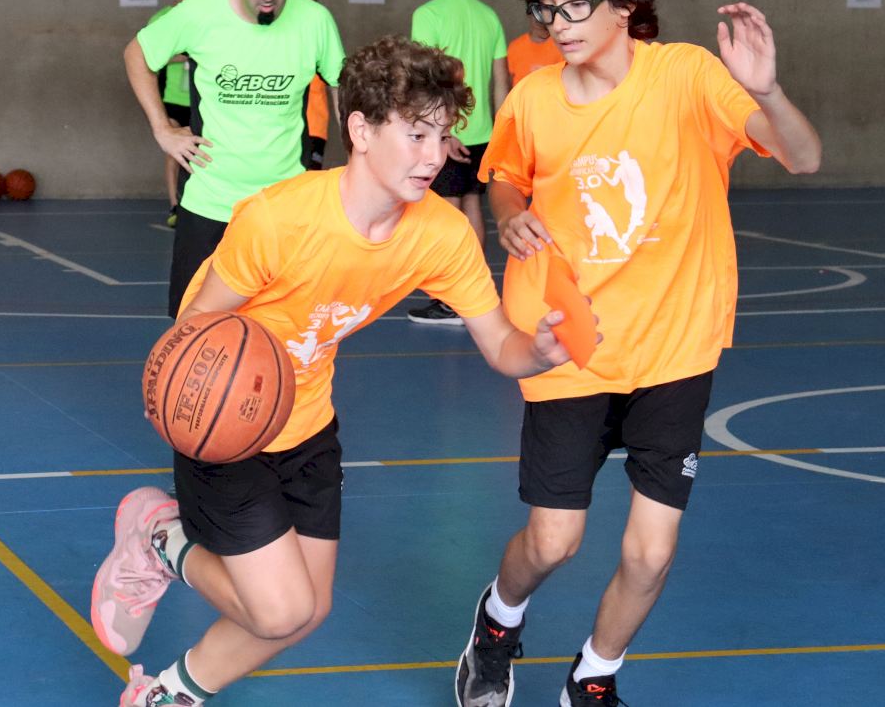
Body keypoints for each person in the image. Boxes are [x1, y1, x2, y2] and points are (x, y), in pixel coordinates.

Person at [91, 35, 594, 707]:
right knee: (279, 611)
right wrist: (199, 404)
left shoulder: (441, 234)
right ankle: (162, 539)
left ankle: (167, 692)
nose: (433, 155)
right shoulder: (277, 219)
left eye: (442, 135)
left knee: (309, 610)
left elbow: (502, 344)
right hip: (229, 430)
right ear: (359, 130)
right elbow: (192, 330)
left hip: (308, 428)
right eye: (415, 134)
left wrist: (541, 350)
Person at [454, 0, 822, 707]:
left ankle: (593, 675)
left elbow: (803, 155)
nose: (558, 24)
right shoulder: (534, 98)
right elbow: (505, 175)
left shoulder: (687, 77)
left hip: (675, 349)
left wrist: (765, 90)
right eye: (546, 7)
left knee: (650, 554)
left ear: (624, 4)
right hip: (570, 347)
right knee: (553, 541)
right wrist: (510, 214)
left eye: (575, 5)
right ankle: (498, 619)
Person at [124, 0, 345, 317]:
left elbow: (341, 84)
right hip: (210, 201)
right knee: (192, 329)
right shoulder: (198, 14)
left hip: (284, 206)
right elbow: (137, 54)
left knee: (279, 328)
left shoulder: (316, 20)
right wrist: (163, 128)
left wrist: (360, 155)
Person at [408, 0, 509, 326]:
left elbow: (425, 80)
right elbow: (501, 83)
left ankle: (453, 301)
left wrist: (444, 133)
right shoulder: (488, 16)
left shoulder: (427, 15)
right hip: (484, 133)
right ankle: (470, 296)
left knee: (446, 214)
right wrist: (502, 135)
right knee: (471, 207)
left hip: (448, 132)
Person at [148, 0, 210, 227]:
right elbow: (151, 57)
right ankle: (175, 205)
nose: (197, 0)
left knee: (201, 153)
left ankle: (196, 204)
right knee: (175, 153)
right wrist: (185, 55)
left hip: (200, 99)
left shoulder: (206, 18)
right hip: (172, 97)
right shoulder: (163, 19)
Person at [290, 0, 333, 170]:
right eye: (304, 1)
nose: (310, 7)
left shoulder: (320, 30)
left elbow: (337, 81)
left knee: (309, 181)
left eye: (314, 1)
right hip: (285, 126)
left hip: (315, 126)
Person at [506, 10, 561, 88]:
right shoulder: (515, 46)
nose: (538, 19)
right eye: (535, 13)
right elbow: (508, 83)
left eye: (542, 14)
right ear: (529, 15)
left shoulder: (560, 46)